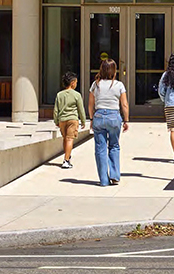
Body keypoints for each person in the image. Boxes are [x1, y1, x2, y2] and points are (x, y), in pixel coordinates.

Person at [87, 57, 129, 186]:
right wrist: (126, 120)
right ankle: (115, 175)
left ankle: (104, 180)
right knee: (114, 146)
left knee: (100, 148)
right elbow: (124, 104)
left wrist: (91, 118)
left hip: (99, 116)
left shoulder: (96, 85)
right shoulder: (119, 85)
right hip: (114, 116)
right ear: (114, 71)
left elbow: (90, 104)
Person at [52, 71, 85, 166]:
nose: (76, 84)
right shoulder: (77, 95)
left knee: (65, 139)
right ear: (72, 83)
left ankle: (67, 155)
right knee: (70, 139)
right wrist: (83, 121)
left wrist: (56, 120)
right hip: (72, 119)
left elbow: (56, 109)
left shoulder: (59, 95)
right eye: (76, 82)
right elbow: (81, 109)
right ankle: (66, 160)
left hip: (62, 120)